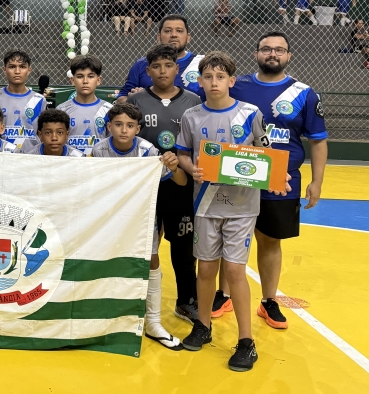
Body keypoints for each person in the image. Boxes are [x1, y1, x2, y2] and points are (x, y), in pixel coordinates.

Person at [176, 51, 280, 371]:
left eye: (221, 77)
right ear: (199, 80)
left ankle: (246, 342)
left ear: (232, 81)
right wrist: (192, 168)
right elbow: (182, 154)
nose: (214, 82)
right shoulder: (192, 117)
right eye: (208, 76)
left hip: (242, 205)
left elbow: (266, 155)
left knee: (234, 271)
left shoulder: (250, 114)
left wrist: (275, 173)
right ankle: (203, 327)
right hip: (205, 204)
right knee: (206, 269)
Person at [220, 32, 327, 330]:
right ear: (256, 53)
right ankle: (223, 294)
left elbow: (318, 141)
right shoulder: (235, 85)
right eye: (266, 48)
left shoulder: (303, 93)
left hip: (282, 182)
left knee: (270, 241)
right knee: (226, 239)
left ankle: (268, 301)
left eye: (279, 50)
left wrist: (317, 182)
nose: (272, 54)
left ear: (288, 56)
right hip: (235, 177)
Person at [91, 102, 188, 351]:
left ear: (138, 129)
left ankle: (153, 322)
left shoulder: (147, 151)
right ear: (109, 126)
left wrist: (174, 165)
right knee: (108, 260)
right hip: (108, 218)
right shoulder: (99, 150)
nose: (124, 130)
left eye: (130, 125)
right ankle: (110, 318)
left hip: (142, 217)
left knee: (151, 261)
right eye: (119, 125)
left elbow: (179, 181)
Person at [127, 44, 202, 324]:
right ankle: (137, 299)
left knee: (183, 245)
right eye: (156, 67)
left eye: (168, 66)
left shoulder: (193, 102)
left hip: (179, 182)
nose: (162, 71)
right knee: (143, 243)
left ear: (177, 69)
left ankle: (186, 301)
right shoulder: (136, 102)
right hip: (144, 183)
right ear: (148, 71)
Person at [118, 14, 204, 100]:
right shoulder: (141, 64)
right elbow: (120, 99)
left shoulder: (203, 63)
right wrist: (134, 98)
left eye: (179, 31)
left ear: (188, 37)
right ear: (159, 37)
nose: (174, 35)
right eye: (167, 31)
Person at [0, 49, 45, 150]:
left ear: (29, 70)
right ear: (4, 70)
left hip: (31, 158)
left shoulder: (39, 100)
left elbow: (43, 134)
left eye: (22, 67)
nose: (17, 71)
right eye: (12, 67)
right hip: (3, 157)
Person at [57, 54, 112, 156]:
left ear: (98, 80)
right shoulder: (61, 110)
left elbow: (113, 144)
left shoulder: (109, 110)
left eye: (90, 76)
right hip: (71, 166)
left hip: (98, 166)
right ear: (72, 80)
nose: (85, 81)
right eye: (80, 76)